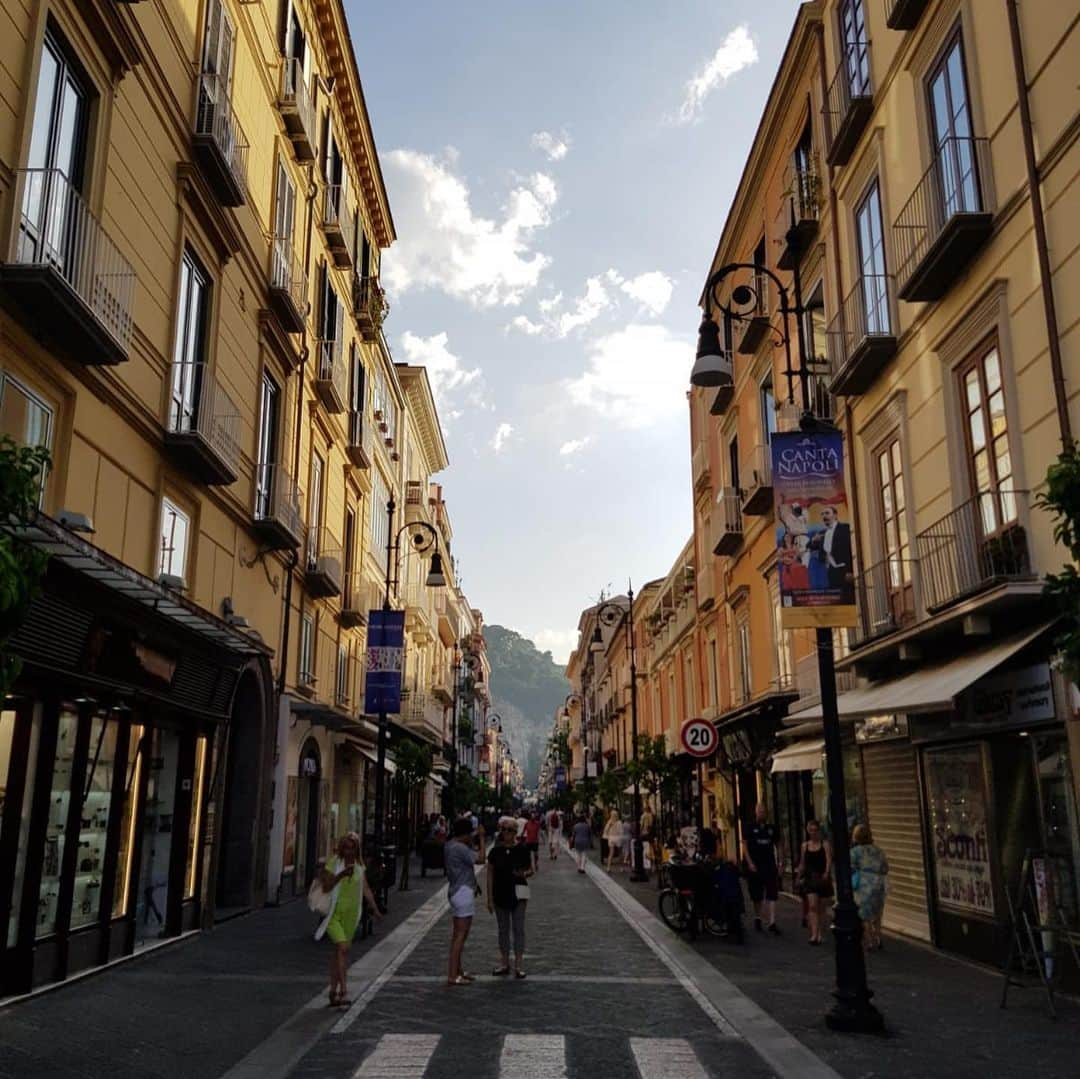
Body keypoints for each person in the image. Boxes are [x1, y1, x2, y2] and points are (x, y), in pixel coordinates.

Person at [315, 833, 382, 1007]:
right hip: (333, 913)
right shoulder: (334, 863)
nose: (349, 851)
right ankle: (344, 991)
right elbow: (327, 886)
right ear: (341, 848)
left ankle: (332, 990)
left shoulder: (360, 866)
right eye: (346, 847)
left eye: (352, 848)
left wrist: (374, 909)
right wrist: (342, 874)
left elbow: (365, 888)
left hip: (352, 914)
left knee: (340, 952)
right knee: (343, 948)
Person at [487, 816, 532, 978]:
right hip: (500, 893)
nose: (506, 833)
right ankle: (504, 963)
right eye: (504, 830)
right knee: (503, 930)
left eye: (510, 830)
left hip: (519, 893)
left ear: (515, 833)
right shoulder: (495, 850)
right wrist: (489, 898)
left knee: (519, 929)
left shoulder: (522, 849)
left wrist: (523, 873)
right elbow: (489, 873)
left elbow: (530, 870)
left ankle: (518, 965)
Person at [444, 818, 486, 986]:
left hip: (456, 889)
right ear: (465, 833)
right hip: (463, 892)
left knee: (457, 935)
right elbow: (481, 859)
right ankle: (453, 975)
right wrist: (482, 839)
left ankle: (458, 970)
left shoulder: (450, 845)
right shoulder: (460, 848)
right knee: (460, 936)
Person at [742, 803, 782, 934]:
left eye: (763, 811)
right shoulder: (749, 827)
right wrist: (749, 863)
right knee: (756, 894)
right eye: (759, 811)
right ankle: (758, 917)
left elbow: (779, 844)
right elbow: (745, 846)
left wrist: (780, 862)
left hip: (769, 864)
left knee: (772, 892)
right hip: (755, 865)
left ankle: (772, 921)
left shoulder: (772, 828)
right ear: (755, 812)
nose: (761, 814)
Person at [851, 823, 890, 951]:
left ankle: (869, 941)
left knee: (864, 915)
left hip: (864, 884)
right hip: (879, 883)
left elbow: (851, 867)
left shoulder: (855, 852)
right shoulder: (878, 850)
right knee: (877, 913)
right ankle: (878, 937)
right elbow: (885, 867)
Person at [795, 819, 833, 946]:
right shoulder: (805, 846)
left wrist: (827, 872)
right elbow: (802, 863)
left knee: (821, 908)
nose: (813, 833)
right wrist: (798, 876)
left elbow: (828, 860)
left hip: (822, 878)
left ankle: (820, 933)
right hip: (810, 879)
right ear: (807, 831)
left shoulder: (825, 844)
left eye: (815, 830)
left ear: (819, 831)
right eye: (810, 830)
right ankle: (814, 934)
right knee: (812, 906)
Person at [809, 505, 854, 603]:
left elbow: (849, 549)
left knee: (847, 600)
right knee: (835, 601)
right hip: (829, 573)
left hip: (844, 571)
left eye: (827, 513)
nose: (824, 516)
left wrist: (850, 570)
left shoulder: (845, 528)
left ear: (835, 515)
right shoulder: (822, 533)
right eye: (822, 514)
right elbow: (809, 546)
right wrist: (813, 540)